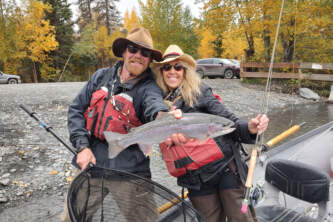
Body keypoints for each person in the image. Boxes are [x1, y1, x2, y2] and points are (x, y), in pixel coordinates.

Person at [60, 28, 185, 222]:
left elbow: (154, 106)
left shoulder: (149, 88)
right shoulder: (101, 76)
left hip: (130, 171)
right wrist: (82, 147)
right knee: (70, 218)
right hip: (91, 164)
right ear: (124, 51)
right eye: (133, 49)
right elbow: (76, 110)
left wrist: (165, 118)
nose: (138, 56)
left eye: (145, 53)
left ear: (150, 59)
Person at [154, 45, 269, 222]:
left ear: (185, 71)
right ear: (161, 71)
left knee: (241, 218)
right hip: (195, 180)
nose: (172, 71)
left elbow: (229, 121)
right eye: (167, 67)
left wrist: (250, 128)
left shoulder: (200, 92)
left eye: (178, 67)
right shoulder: (155, 101)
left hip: (224, 169)